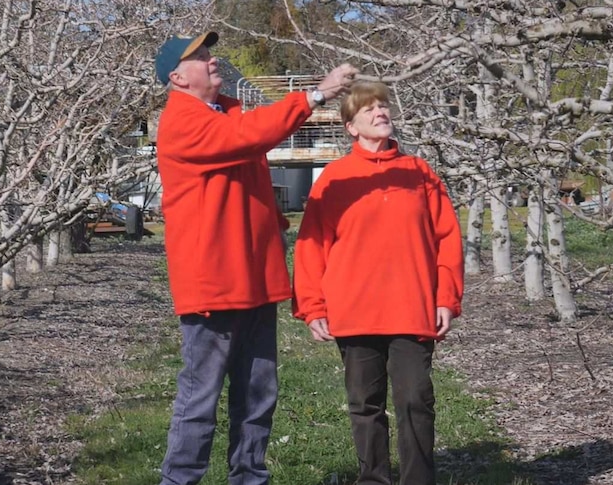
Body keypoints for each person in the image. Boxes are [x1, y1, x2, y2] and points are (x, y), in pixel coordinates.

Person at [153, 31, 357, 485]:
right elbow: (250, 133)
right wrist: (316, 94)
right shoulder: (183, 122)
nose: (212, 60)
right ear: (176, 77)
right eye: (200, 57)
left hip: (255, 282)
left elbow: (252, 128)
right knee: (201, 396)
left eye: (209, 52)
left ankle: (249, 477)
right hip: (215, 285)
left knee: (258, 394)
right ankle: (180, 480)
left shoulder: (224, 112)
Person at [292, 82, 464, 485]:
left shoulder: (420, 173)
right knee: (364, 405)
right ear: (351, 126)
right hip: (354, 312)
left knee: (415, 401)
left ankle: (418, 480)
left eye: (383, 106)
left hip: (413, 308)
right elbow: (311, 246)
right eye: (369, 109)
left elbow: (447, 240)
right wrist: (313, 306)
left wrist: (446, 298)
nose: (380, 112)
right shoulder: (335, 179)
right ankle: (373, 479)